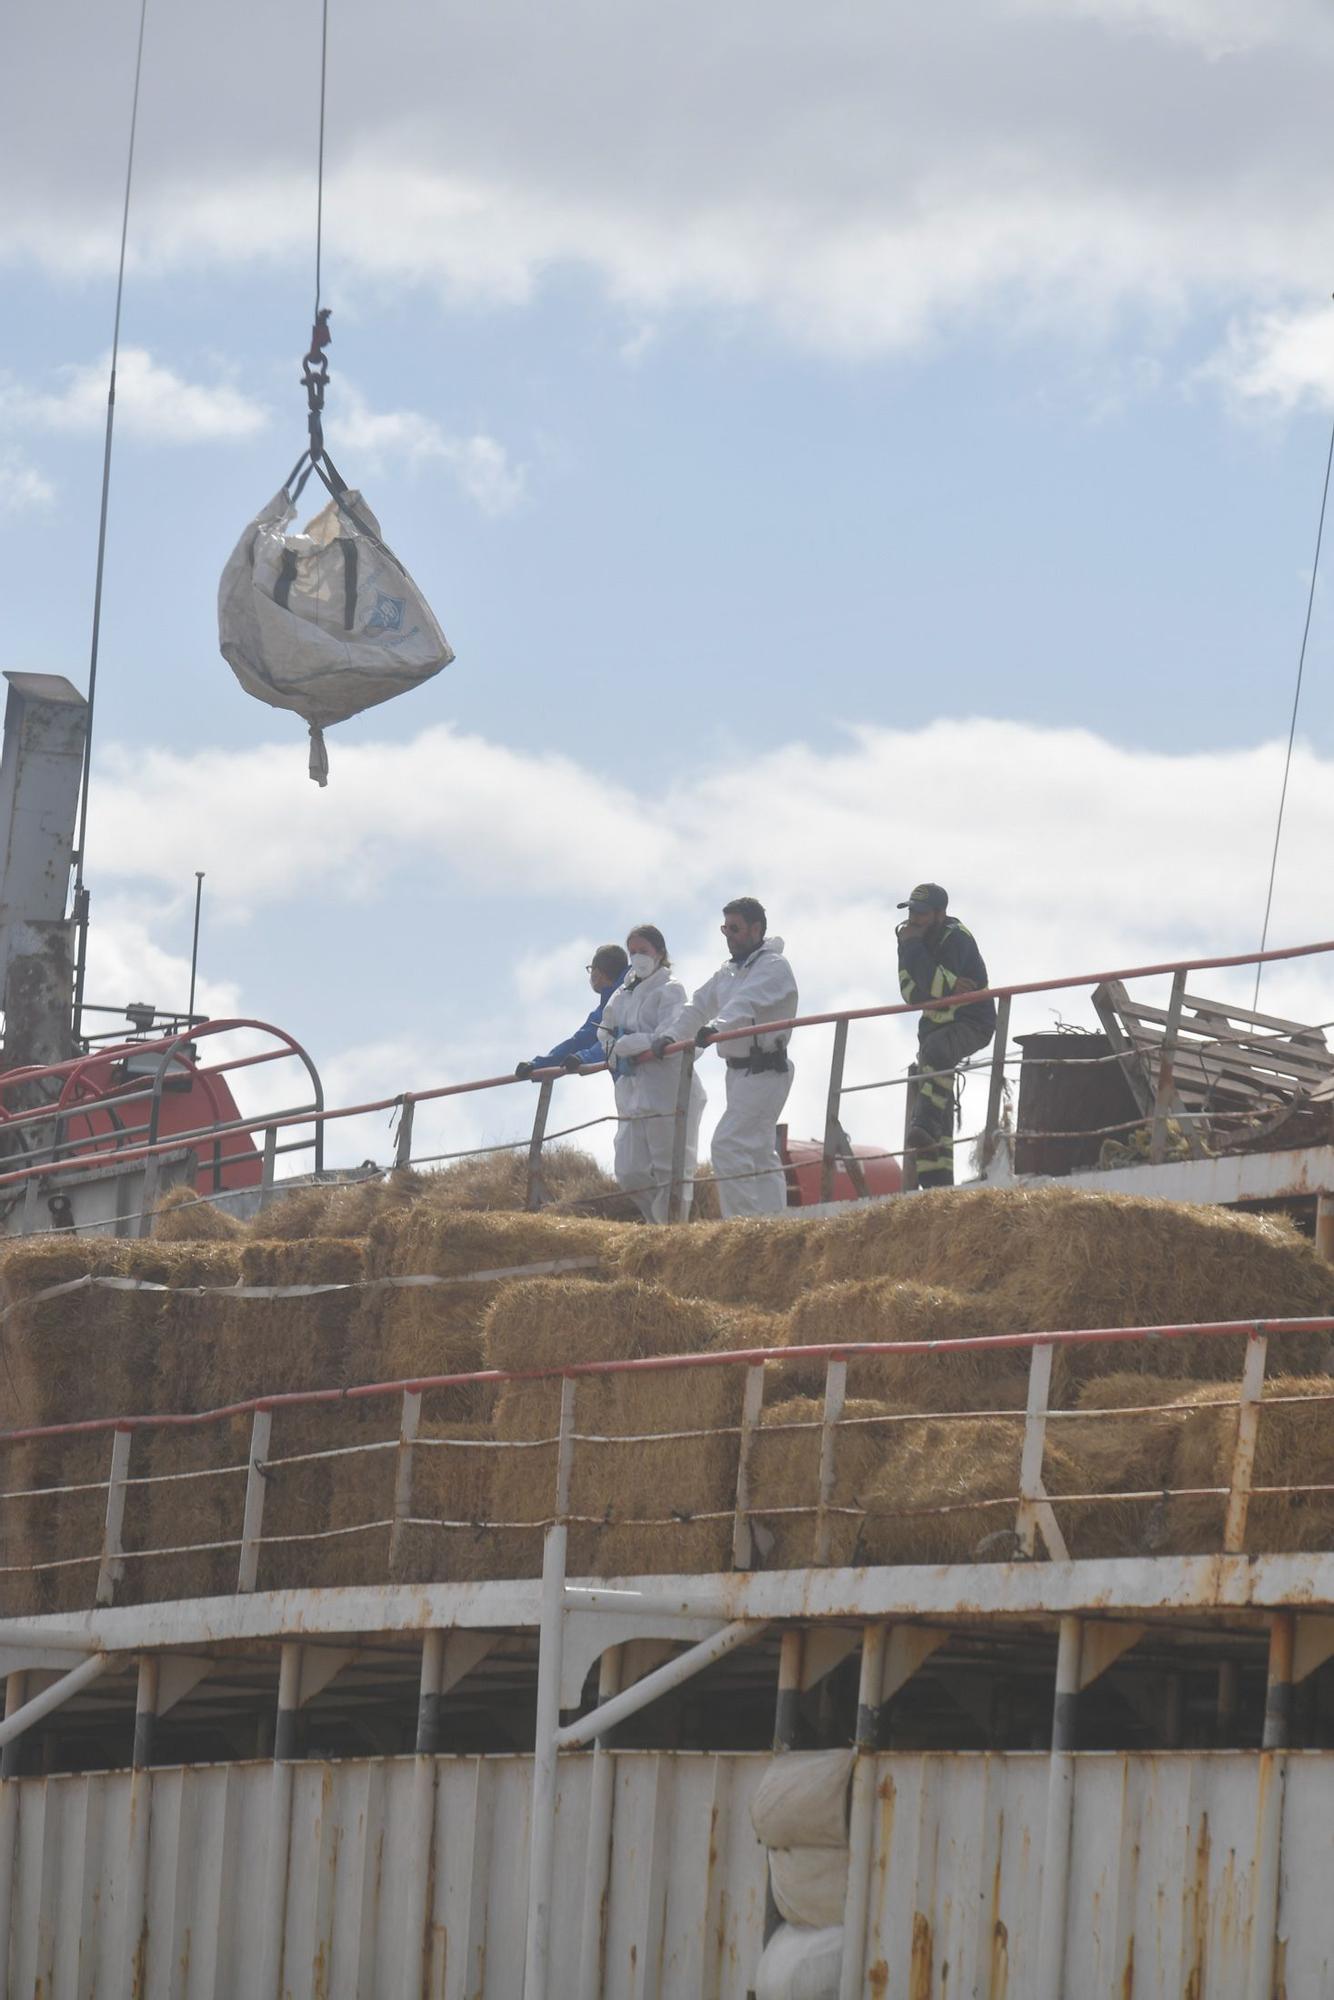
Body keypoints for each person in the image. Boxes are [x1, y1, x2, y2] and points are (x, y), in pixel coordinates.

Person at [653, 897, 797, 1219]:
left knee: (728, 1145)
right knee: (759, 1151)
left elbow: (747, 1003)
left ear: (755, 929)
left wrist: (717, 1026)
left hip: (765, 1069)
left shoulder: (772, 966)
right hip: (739, 1073)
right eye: (724, 928)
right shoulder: (729, 972)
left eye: (734, 928)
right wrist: (672, 1036)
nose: (728, 936)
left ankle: (743, 1226)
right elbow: (699, 1005)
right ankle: (775, 1220)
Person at [597, 925, 707, 1222]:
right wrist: (617, 1049)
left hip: (667, 1090)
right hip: (633, 1091)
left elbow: (670, 1034)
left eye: (643, 951)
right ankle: (656, 1224)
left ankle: (671, 1232)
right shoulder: (623, 993)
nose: (637, 957)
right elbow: (604, 1033)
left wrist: (632, 1043)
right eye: (632, 952)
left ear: (660, 952)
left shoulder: (670, 989)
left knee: (669, 1169)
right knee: (629, 1170)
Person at [896, 883, 994, 1189]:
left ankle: (922, 1126)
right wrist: (943, 984)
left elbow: (934, 989)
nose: (914, 918)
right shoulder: (911, 939)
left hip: (972, 1022)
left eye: (922, 913)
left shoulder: (957, 938)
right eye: (911, 911)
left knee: (937, 1056)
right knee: (936, 1093)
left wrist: (935, 979)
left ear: (940, 914)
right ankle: (935, 1181)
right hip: (935, 1030)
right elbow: (911, 993)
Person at [515, 944, 628, 1078]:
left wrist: (583, 1058)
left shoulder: (630, 995)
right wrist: (537, 1065)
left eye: (591, 969)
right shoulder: (604, 1009)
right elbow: (579, 1041)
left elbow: (616, 1041)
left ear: (597, 973)